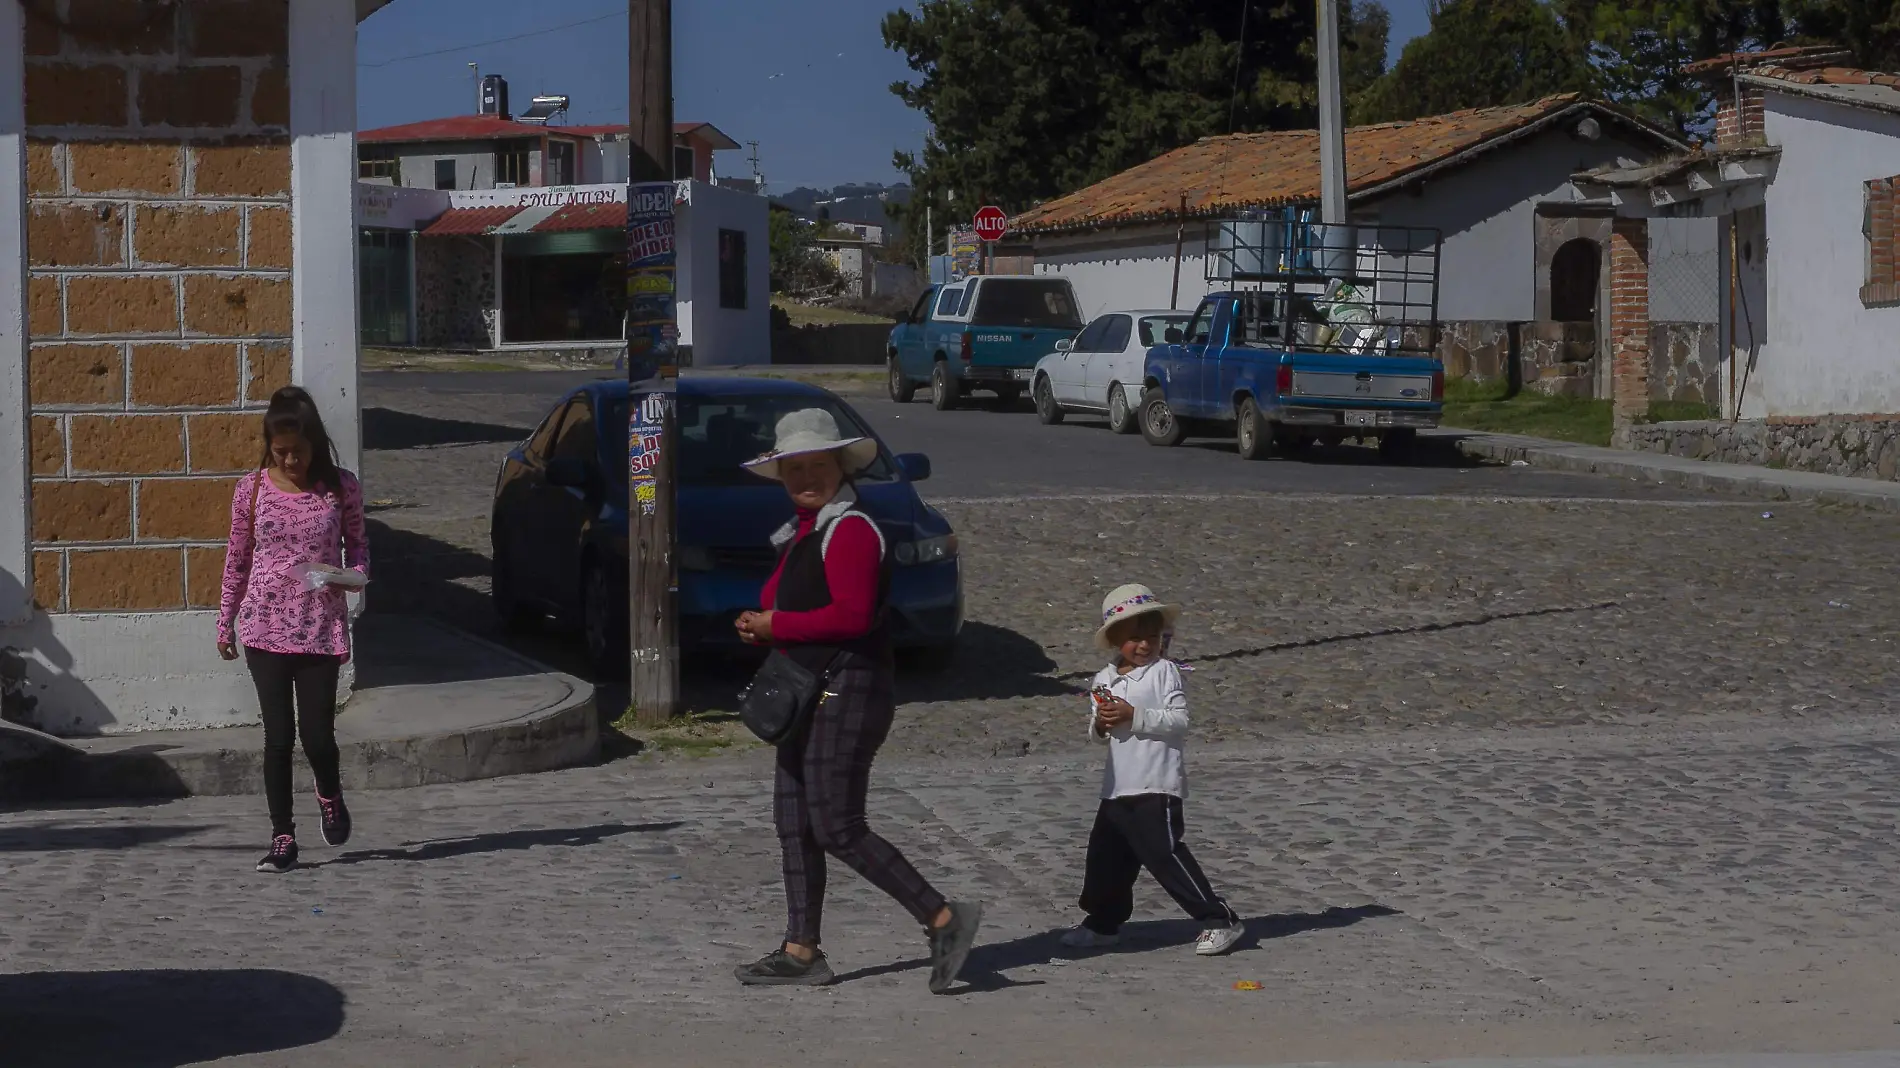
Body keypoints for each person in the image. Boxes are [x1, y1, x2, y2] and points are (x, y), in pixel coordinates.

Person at [731, 407, 981, 992]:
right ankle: (800, 949)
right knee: (794, 821)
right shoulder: (804, 532)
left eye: (816, 465)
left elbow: (849, 616)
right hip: (804, 689)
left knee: (837, 825)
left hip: (850, 688)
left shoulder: (850, 530)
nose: (804, 477)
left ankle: (944, 918)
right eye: (794, 467)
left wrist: (776, 625)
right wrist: (761, 625)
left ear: (839, 467)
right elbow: (797, 609)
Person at [216, 386, 368, 874]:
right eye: (280, 452)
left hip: (319, 627)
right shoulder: (251, 490)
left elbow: (360, 550)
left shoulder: (341, 488)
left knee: (317, 736)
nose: (290, 460)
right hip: (263, 626)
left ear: (314, 444)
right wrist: (226, 621)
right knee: (278, 738)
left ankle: (330, 794)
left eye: (298, 452)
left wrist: (350, 577)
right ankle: (283, 836)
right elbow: (237, 559)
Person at [1061, 583, 1244, 956]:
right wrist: (1101, 725)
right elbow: (1097, 732)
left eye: (1152, 637)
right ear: (1116, 639)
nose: (1144, 645)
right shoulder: (1103, 679)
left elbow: (1179, 721)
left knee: (1163, 852)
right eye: (1134, 639)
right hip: (1117, 787)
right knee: (1105, 858)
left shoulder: (1164, 673)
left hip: (1156, 781)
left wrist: (1135, 715)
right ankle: (1103, 922)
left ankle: (1218, 919)